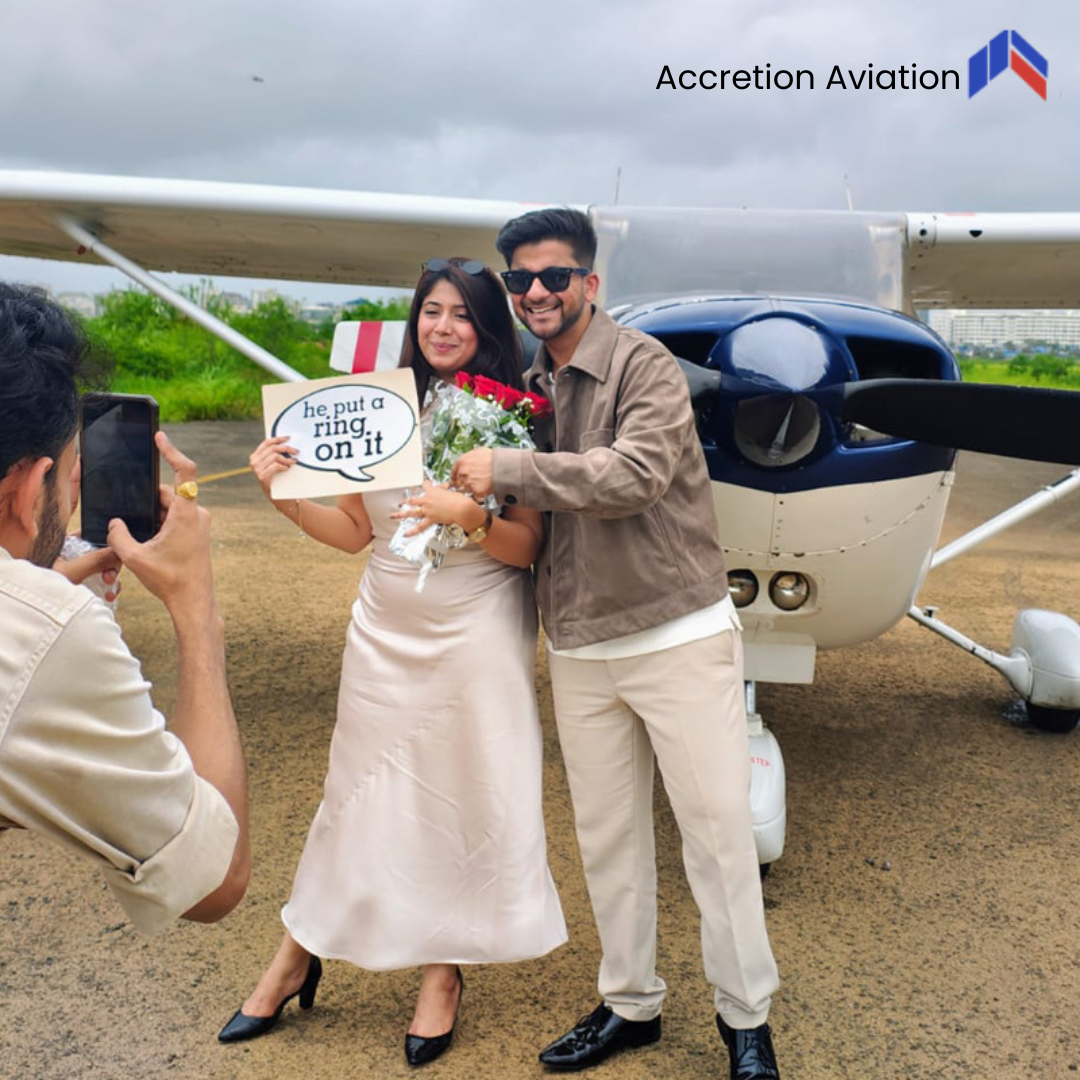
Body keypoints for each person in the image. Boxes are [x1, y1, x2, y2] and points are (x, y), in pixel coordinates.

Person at [451, 210, 782, 1080]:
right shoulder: (524, 386)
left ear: (589, 283)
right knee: (607, 840)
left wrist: (506, 469)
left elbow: (634, 475)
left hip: (675, 632)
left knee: (717, 836)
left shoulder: (646, 365)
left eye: (554, 276)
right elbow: (508, 510)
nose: (536, 292)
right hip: (579, 642)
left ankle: (746, 1020)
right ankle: (631, 1003)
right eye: (520, 279)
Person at [220, 258, 566, 1067]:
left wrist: (469, 516)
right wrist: (281, 494)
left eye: (463, 314)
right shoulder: (380, 407)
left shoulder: (514, 415)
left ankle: (443, 971)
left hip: (476, 627)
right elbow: (354, 531)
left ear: (488, 327)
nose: (443, 327)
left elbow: (527, 548)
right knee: (355, 794)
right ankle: (299, 950)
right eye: (431, 311)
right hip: (384, 627)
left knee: (463, 794)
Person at [0, 283, 250, 937]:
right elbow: (214, 879)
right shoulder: (44, 628)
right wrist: (196, 606)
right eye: (68, 472)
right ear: (29, 489)